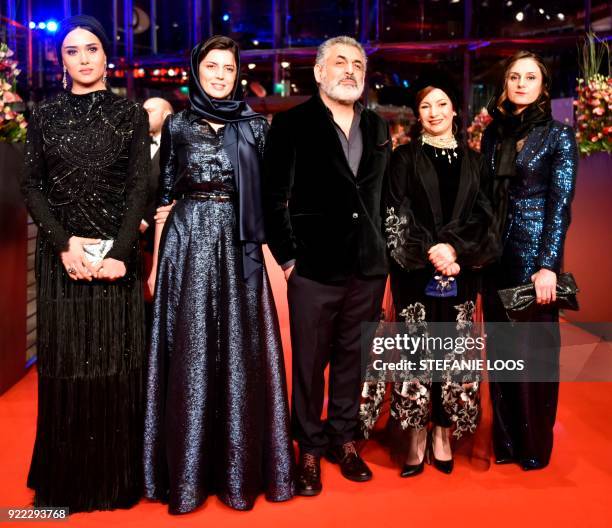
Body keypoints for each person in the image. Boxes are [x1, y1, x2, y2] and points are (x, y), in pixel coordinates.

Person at [143, 36, 294, 514]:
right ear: (197, 70)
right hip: (186, 244)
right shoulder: (178, 124)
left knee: (238, 352)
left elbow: (272, 196)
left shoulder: (255, 126)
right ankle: (185, 473)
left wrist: (284, 254)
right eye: (212, 66)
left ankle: (239, 472)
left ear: (237, 74)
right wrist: (154, 261)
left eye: (228, 68)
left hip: (238, 246)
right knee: (188, 350)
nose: (220, 75)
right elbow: (164, 191)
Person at [20, 15, 149, 512]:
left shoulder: (129, 115)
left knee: (116, 365)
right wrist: (63, 245)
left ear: (106, 55)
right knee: (68, 366)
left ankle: (115, 482)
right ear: (62, 62)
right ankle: (66, 485)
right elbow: (31, 185)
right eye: (72, 51)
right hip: (61, 259)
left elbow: (140, 186)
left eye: (91, 48)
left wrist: (119, 254)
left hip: (117, 259)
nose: (83, 58)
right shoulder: (44, 116)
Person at [263, 36, 391, 496]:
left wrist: (386, 253)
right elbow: (272, 198)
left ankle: (344, 439)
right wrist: (291, 259)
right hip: (313, 268)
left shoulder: (378, 128)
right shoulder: (291, 124)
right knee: (309, 364)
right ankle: (309, 449)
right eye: (341, 62)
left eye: (358, 63)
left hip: (368, 267)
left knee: (352, 361)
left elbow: (381, 198)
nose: (351, 70)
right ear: (318, 72)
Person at [360, 79, 499, 477]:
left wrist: (453, 249)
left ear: (455, 110)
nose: (435, 112)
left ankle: (442, 432)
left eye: (442, 104)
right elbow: (394, 213)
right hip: (414, 273)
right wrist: (430, 252)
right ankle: (416, 434)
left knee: (453, 353)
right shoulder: (403, 158)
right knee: (417, 353)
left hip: (460, 272)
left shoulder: (474, 161)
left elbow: (485, 216)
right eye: (426, 106)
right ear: (417, 114)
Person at [481, 51, 578, 470]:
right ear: (505, 85)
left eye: (530, 77)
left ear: (543, 85)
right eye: (514, 77)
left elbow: (560, 204)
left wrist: (548, 266)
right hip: (494, 256)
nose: (521, 83)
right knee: (501, 352)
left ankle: (533, 445)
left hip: (533, 255)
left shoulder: (558, 136)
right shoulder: (493, 135)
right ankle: (505, 441)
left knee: (533, 355)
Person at [141, 97, 173, 307]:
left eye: (149, 111)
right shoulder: (137, 146)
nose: (143, 116)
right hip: (134, 239)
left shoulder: (178, 149)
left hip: (161, 235)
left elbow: (170, 193)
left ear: (166, 115)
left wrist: (144, 221)